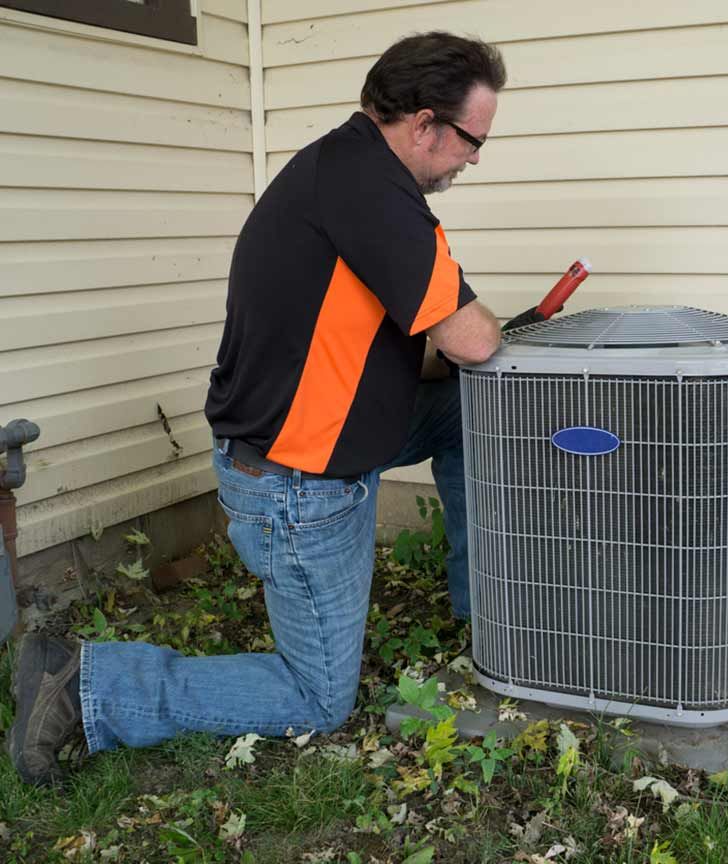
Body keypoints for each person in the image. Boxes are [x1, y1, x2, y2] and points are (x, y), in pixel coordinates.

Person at [7, 31, 506, 786]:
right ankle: (86, 680)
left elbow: (403, 344)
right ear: (426, 123)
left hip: (324, 429)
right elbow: (472, 340)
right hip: (296, 477)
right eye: (472, 140)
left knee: (469, 415)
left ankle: (488, 613)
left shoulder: (340, 166)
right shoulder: (376, 194)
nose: (474, 158)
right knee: (316, 698)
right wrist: (500, 332)